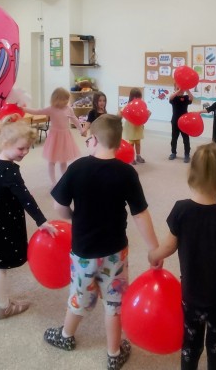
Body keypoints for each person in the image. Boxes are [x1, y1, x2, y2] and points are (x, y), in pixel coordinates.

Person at [44, 114, 161, 370]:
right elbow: (140, 214)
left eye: (87, 139)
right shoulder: (127, 172)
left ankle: (65, 335)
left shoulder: (77, 168)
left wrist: (72, 217)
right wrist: (154, 248)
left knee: (79, 297)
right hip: (115, 253)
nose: (87, 143)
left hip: (83, 252)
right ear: (118, 143)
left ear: (94, 140)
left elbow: (58, 205)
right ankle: (113, 353)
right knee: (114, 303)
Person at [149, 144, 216, 370]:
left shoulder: (180, 210)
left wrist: (153, 255)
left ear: (191, 176)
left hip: (191, 294)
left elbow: (168, 246)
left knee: (190, 343)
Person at [0, 120, 57, 319]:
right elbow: (25, 197)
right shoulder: (9, 171)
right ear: (5, 143)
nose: (25, 152)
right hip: (2, 223)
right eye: (21, 148)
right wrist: (41, 220)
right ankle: (3, 307)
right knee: (0, 266)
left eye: (28, 148)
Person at [25, 87, 85, 185]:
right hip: (55, 137)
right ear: (57, 99)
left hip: (65, 136)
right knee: (52, 160)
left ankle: (64, 180)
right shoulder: (51, 109)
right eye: (64, 99)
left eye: (67, 99)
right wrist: (23, 109)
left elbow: (74, 119)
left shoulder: (68, 109)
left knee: (63, 160)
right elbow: (37, 111)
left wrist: (81, 129)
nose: (66, 101)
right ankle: (53, 182)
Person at [122, 88, 150, 164]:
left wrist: (147, 114)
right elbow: (122, 112)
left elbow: (144, 114)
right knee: (131, 143)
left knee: (138, 142)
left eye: (139, 97)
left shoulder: (141, 105)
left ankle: (138, 156)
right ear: (132, 97)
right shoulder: (128, 105)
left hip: (138, 127)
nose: (138, 99)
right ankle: (131, 157)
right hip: (131, 127)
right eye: (136, 97)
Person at [169, 84, 193, 162]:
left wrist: (187, 90)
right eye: (178, 88)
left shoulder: (185, 97)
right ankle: (173, 153)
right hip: (175, 121)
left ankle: (187, 154)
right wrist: (178, 90)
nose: (180, 90)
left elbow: (191, 98)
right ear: (175, 89)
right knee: (174, 138)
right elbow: (170, 98)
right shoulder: (174, 98)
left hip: (184, 122)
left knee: (186, 138)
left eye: (181, 88)